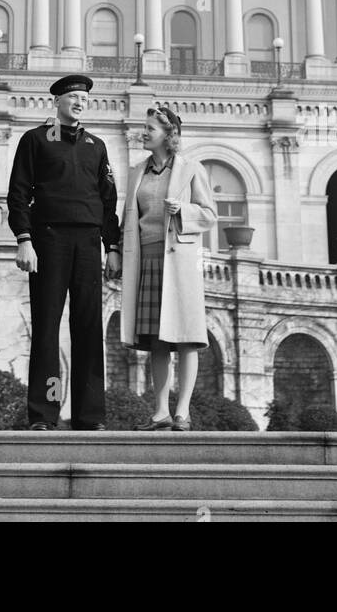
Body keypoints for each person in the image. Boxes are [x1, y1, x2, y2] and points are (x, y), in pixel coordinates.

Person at [7, 74, 121, 430]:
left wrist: (112, 246)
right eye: (72, 96)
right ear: (56, 101)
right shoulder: (35, 140)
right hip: (48, 241)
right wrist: (24, 239)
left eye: (84, 98)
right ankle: (45, 413)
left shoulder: (96, 145)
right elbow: (18, 193)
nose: (79, 102)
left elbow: (108, 201)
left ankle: (90, 416)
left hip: (88, 243)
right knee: (47, 329)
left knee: (89, 329)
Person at [117, 105, 217, 431]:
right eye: (144, 127)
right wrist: (116, 251)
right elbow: (126, 220)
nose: (144, 133)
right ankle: (160, 411)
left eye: (150, 128)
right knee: (155, 341)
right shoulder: (136, 172)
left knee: (187, 337)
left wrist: (183, 210)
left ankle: (182, 412)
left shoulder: (191, 169)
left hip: (179, 262)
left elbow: (209, 214)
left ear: (168, 134)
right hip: (145, 260)